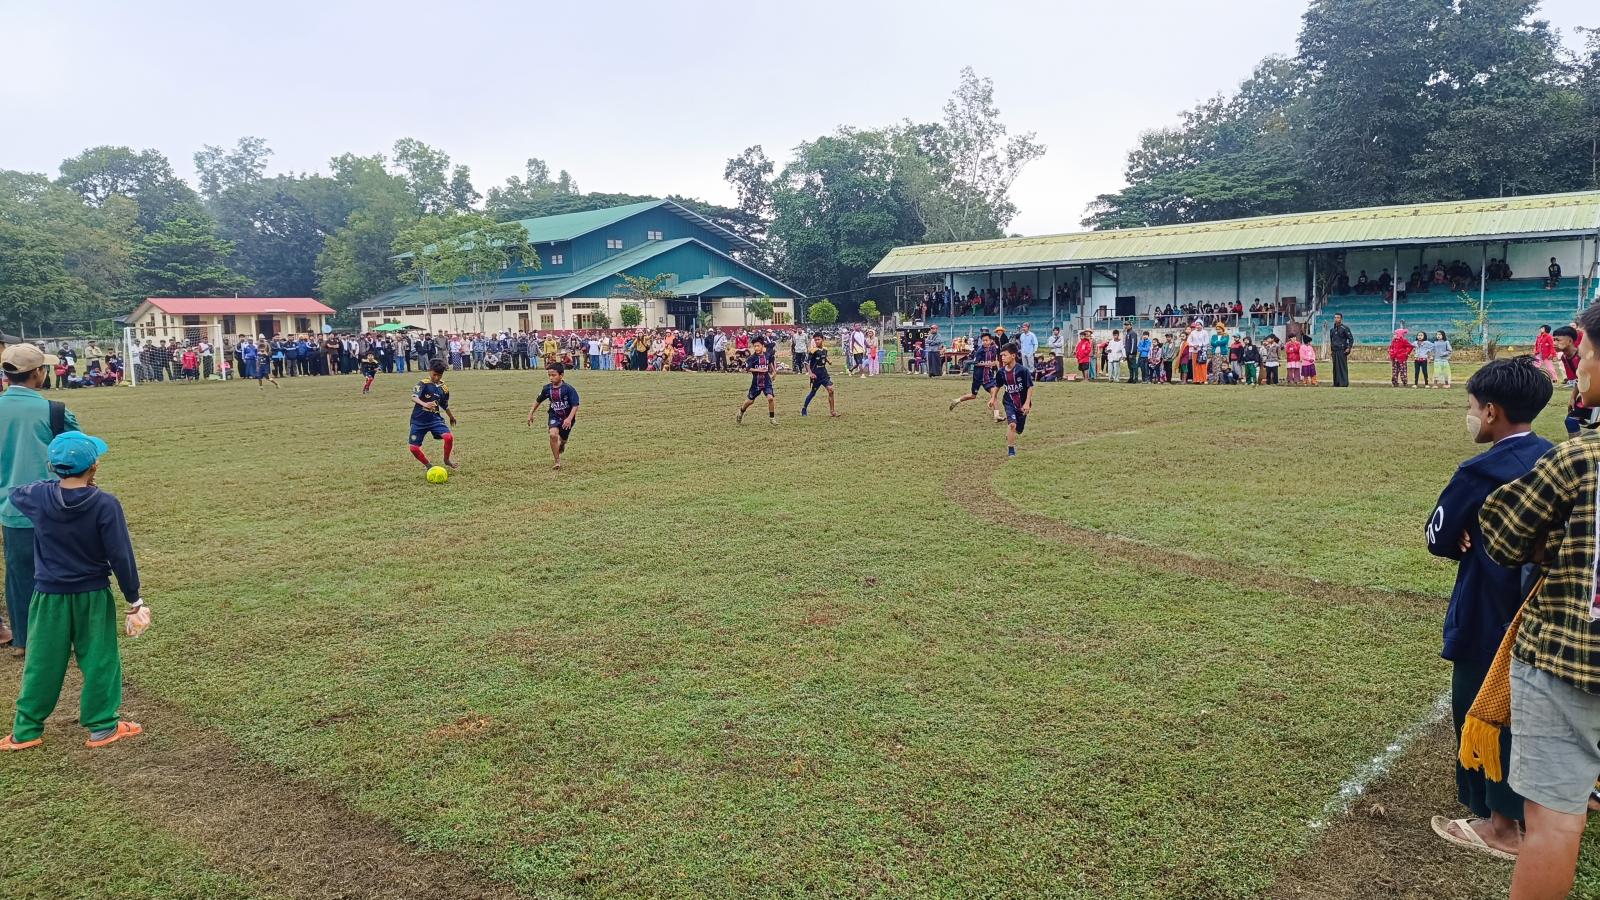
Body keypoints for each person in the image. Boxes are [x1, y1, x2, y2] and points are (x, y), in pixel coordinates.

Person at [1476, 304, 1600, 899]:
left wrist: (1556, 538)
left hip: (1570, 658)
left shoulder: (1580, 458)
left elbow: (1502, 534)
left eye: (1587, 353)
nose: (1580, 366)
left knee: (1552, 820)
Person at [1425, 358, 1554, 862]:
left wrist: (1459, 535)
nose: (1470, 414)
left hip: (1488, 611)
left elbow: (1438, 534)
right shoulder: (1554, 458)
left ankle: (1500, 824)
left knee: (1484, 706)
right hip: (1547, 611)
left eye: (1471, 406)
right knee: (1542, 708)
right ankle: (1548, 801)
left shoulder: (1479, 473)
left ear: (1492, 412)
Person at [0, 432, 148, 752]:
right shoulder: (105, 504)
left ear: (52, 467)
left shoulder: (39, 497)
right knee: (99, 659)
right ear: (94, 467)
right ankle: (102, 726)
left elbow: (18, 492)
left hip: (48, 597)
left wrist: (52, 482)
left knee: (41, 660)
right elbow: (121, 555)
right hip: (92, 596)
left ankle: (25, 731)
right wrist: (134, 599)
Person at [0, 344, 81, 655]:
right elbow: (78, 452)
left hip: (11, 509)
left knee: (19, 575)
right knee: (59, 573)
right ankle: (59, 639)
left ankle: (23, 639)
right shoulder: (54, 411)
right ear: (38, 373)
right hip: (55, 508)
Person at [526, 363, 579, 471]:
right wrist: (531, 413)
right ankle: (557, 461)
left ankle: (562, 443)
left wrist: (569, 419)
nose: (551, 377)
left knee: (563, 438)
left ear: (561, 375)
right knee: (553, 435)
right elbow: (538, 400)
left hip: (567, 418)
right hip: (554, 415)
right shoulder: (547, 389)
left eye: (554, 375)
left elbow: (575, 405)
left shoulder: (568, 389)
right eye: (549, 375)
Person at [408, 360, 458, 471]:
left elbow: (444, 405)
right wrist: (425, 404)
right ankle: (428, 466)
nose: (436, 377)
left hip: (434, 419)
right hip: (418, 421)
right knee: (413, 448)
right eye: (434, 374)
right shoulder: (423, 383)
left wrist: (451, 416)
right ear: (429, 371)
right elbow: (414, 397)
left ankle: (446, 460)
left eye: (439, 375)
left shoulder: (443, 388)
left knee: (448, 437)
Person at [949, 332, 1002, 422]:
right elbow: (975, 363)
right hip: (978, 376)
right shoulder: (980, 351)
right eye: (983, 340)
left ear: (990, 340)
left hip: (988, 376)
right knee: (973, 396)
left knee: (994, 394)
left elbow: (994, 361)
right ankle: (957, 400)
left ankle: (996, 416)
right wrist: (988, 363)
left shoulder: (993, 348)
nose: (985, 342)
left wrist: (997, 368)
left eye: (986, 340)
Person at [995, 343, 1034, 458]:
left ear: (1013, 356)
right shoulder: (1001, 372)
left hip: (1022, 404)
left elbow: (1030, 387)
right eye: (1001, 355)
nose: (1002, 358)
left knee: (1018, 429)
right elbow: (998, 385)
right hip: (1009, 402)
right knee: (1012, 424)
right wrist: (992, 398)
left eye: (1005, 355)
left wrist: (1027, 403)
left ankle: (1010, 433)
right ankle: (1011, 450)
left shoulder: (1022, 370)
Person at [737, 337, 777, 426]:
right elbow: (747, 369)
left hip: (767, 381)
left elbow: (770, 362)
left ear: (762, 346)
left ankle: (772, 418)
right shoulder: (752, 358)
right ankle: (741, 411)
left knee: (770, 398)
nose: (756, 348)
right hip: (756, 383)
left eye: (758, 346)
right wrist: (759, 370)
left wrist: (774, 372)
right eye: (755, 346)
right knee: (750, 401)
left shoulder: (767, 355)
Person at [801, 335, 838, 418]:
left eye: (818, 339)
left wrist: (828, 361)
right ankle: (804, 408)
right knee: (812, 393)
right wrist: (810, 373)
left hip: (824, 374)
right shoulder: (813, 351)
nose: (817, 341)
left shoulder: (825, 350)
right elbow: (806, 362)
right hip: (816, 376)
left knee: (831, 390)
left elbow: (824, 357)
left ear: (822, 339)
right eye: (815, 340)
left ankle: (832, 411)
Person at [1330, 313, 1354, 387]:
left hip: (1342, 350)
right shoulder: (1332, 330)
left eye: (1338, 317)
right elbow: (1331, 340)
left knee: (1342, 367)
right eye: (1335, 317)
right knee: (1335, 368)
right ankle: (1336, 383)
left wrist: (1348, 348)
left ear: (1341, 319)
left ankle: (1344, 383)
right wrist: (1331, 350)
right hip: (1334, 351)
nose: (1336, 319)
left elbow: (1351, 339)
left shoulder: (1345, 328)